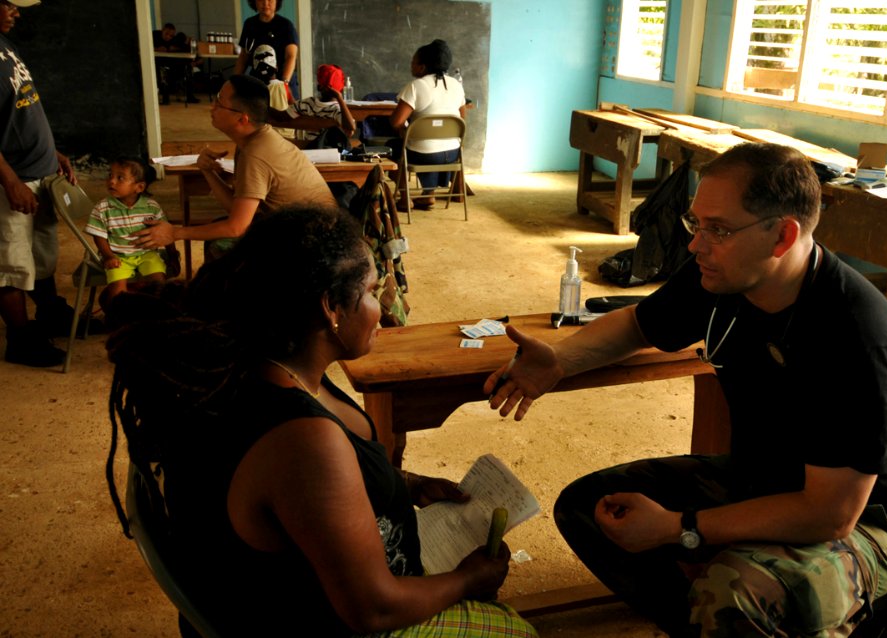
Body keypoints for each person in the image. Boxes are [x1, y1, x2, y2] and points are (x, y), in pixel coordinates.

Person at [485, 143, 887, 636]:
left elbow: (830, 515)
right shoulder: (723, 275)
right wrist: (560, 360)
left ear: (782, 236)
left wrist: (681, 527)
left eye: (717, 229)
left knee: (735, 590)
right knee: (594, 507)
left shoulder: (853, 337)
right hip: (763, 479)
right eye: (696, 224)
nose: (696, 245)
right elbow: (639, 323)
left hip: (873, 527)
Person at [106, 205, 537, 637]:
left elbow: (304, 494)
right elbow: (373, 610)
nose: (382, 308)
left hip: (311, 586)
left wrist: (407, 484)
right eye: (371, 290)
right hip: (332, 619)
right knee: (516, 632)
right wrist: (468, 580)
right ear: (331, 307)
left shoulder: (268, 363)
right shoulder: (302, 439)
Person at [133, 74, 335, 259]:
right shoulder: (252, 141)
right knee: (215, 232)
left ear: (242, 118)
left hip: (314, 245)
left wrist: (175, 233)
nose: (212, 108)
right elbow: (236, 210)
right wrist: (207, 170)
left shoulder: (256, 154)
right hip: (298, 230)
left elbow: (236, 227)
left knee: (221, 245)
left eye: (219, 103)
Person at [0, 0, 91, 367]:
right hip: (14, 179)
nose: (17, 12)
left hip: (39, 169)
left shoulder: (7, 45)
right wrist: (9, 181)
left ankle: (50, 311)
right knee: (10, 262)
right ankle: (20, 339)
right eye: (9, 4)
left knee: (40, 254)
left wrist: (53, 152)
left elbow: (23, 106)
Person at [84, 157, 174, 309]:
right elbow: (99, 236)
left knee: (159, 283)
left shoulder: (151, 207)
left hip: (147, 254)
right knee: (117, 292)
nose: (112, 181)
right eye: (110, 176)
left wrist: (173, 255)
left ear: (139, 187)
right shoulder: (102, 208)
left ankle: (156, 316)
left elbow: (166, 232)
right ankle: (117, 320)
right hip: (118, 256)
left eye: (120, 178)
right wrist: (108, 256)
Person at [389, 39, 466, 211]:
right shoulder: (456, 85)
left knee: (394, 148)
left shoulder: (416, 86)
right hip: (453, 154)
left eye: (413, 62)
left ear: (422, 67)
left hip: (423, 155)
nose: (411, 65)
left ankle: (405, 197)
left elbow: (396, 121)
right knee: (428, 143)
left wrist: (405, 131)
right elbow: (462, 119)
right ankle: (428, 194)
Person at [268, 63, 357, 149]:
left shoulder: (307, 103)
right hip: (331, 153)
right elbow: (351, 127)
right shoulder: (336, 110)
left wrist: (264, 107)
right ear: (341, 89)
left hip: (310, 151)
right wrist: (340, 98)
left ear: (318, 87)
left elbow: (281, 116)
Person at [235, 0, 300, 100]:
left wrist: (284, 83)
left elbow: (291, 56)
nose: (265, 3)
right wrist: (234, 81)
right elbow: (244, 56)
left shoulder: (286, 25)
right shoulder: (249, 24)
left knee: (285, 114)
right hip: (258, 84)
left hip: (282, 81)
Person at [152, 22, 199, 105]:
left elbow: (185, 48)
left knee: (188, 67)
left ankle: (190, 96)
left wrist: (184, 43)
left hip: (171, 61)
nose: (168, 37)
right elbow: (144, 46)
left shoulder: (176, 39)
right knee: (163, 70)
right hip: (157, 61)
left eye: (171, 36)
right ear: (162, 30)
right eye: (166, 34)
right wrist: (156, 49)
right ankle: (165, 98)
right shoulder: (154, 35)